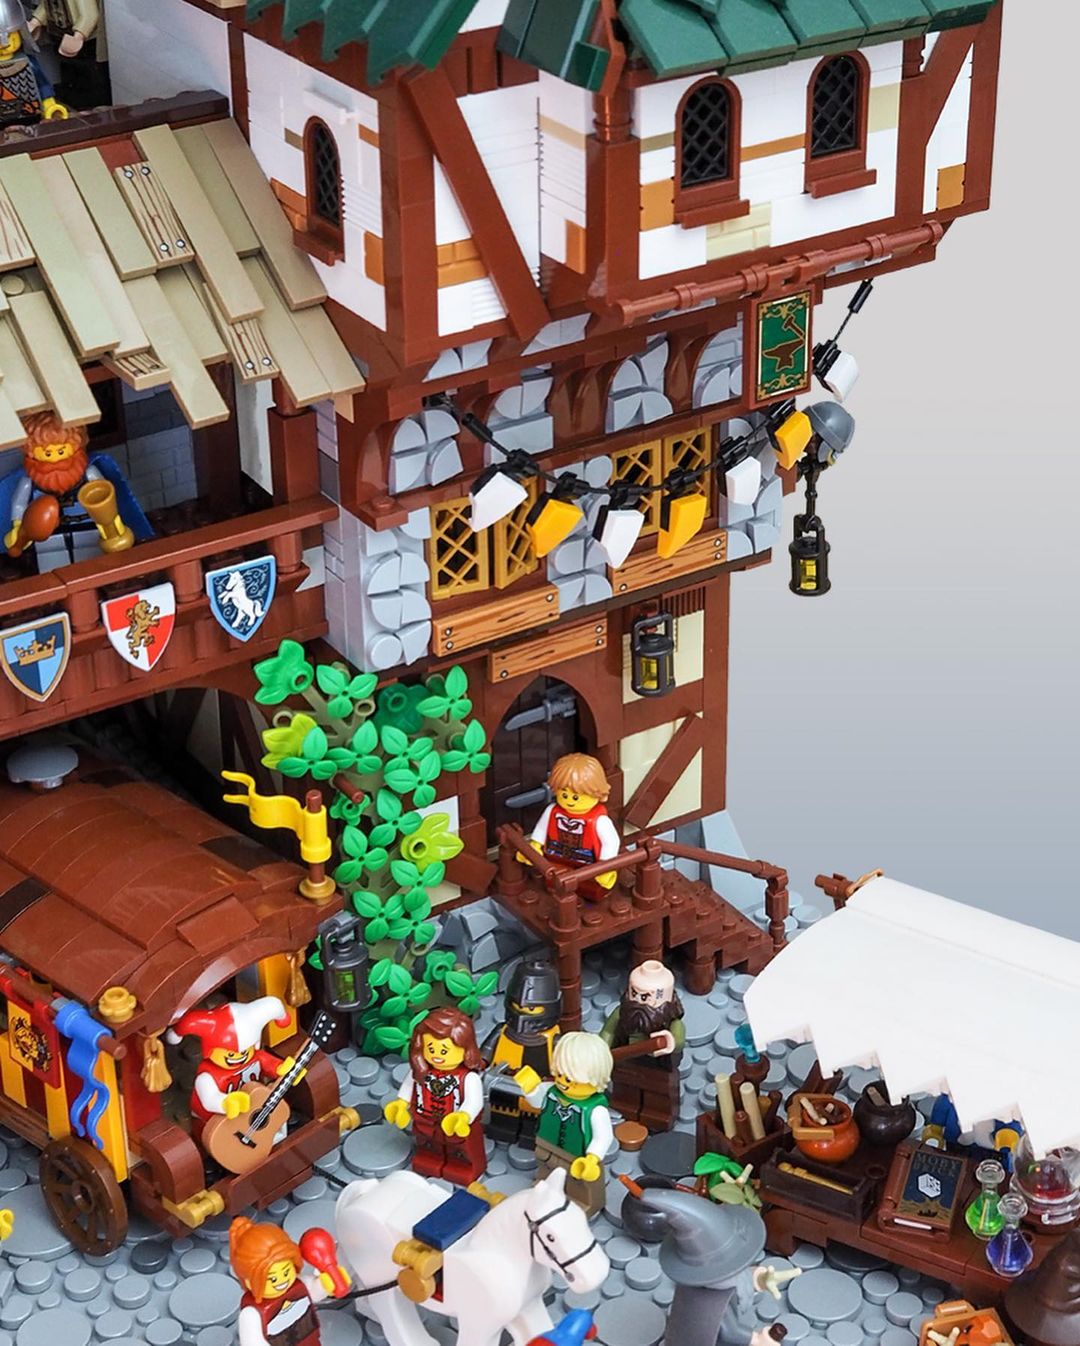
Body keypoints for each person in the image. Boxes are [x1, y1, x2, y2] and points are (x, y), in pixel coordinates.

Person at [0, 412, 153, 570]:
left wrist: (112, 528)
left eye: (61, 451)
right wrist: (19, 529)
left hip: (89, 533)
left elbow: (106, 502)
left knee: (93, 568)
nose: (55, 460)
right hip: (49, 541)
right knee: (53, 571)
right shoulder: (29, 482)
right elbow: (19, 505)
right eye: (47, 453)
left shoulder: (88, 474)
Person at [166, 997, 297, 1146]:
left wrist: (284, 1070)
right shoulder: (208, 1077)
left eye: (245, 1051)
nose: (239, 1058)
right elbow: (209, 1099)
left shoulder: (256, 1057)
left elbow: (272, 1065)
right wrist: (225, 1103)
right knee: (218, 1143)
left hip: (255, 1111)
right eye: (230, 1054)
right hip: (216, 1124)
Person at [516, 1031, 614, 1219]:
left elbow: (603, 1136)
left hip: (578, 1157)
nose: (562, 1082)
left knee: (579, 1183)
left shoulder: (595, 1110)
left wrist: (592, 1158)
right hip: (548, 1146)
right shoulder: (551, 1091)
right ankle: (547, 1191)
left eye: (569, 1079)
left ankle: (583, 1203)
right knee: (547, 1170)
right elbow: (537, 1102)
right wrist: (530, 1089)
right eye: (559, 1074)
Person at [384, 1006, 486, 1185]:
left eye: (444, 1051)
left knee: (463, 1149)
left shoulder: (468, 1078)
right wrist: (400, 1104)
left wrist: (464, 1116)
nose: (437, 1056)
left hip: (456, 1125)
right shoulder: (420, 1072)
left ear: (465, 1048)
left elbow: (474, 1101)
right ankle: (430, 1160)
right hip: (426, 1120)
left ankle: (464, 1168)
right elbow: (408, 1087)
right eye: (431, 1049)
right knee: (428, 1143)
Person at [230, 1217, 350, 1346]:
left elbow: (315, 1292)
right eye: (273, 1279)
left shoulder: (299, 1284)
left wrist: (328, 1282)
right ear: (248, 1280)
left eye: (286, 1272)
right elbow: (253, 1342)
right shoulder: (251, 1314)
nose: (282, 1281)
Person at [482, 957, 562, 1148]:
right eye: (517, 1007)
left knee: (532, 1120)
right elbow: (485, 1054)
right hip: (501, 1088)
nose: (522, 1014)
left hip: (535, 1093)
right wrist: (480, 1063)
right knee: (502, 1117)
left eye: (532, 1008)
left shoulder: (554, 1041)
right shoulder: (502, 1031)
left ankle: (530, 1136)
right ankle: (502, 1131)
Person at [600, 960, 685, 1132]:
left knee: (659, 1093)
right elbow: (608, 1032)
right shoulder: (621, 1014)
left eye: (645, 997)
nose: (639, 1002)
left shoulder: (671, 1022)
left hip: (658, 1065)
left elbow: (678, 1039)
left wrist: (670, 1041)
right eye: (635, 995)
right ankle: (625, 1108)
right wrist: (601, 1049)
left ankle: (657, 1117)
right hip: (624, 1060)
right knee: (625, 1088)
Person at [525, 754, 620, 901]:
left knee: (591, 888)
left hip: (588, 865)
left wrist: (605, 866)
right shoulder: (552, 811)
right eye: (564, 794)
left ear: (597, 793)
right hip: (556, 860)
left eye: (576, 797)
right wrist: (535, 845)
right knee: (553, 883)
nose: (569, 801)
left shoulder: (600, 821)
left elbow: (611, 842)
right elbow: (542, 830)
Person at [0, 0, 66, 125]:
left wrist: (49, 103)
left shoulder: (29, 62)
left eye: (10, 36)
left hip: (29, 115)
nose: (4, 44)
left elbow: (42, 83)